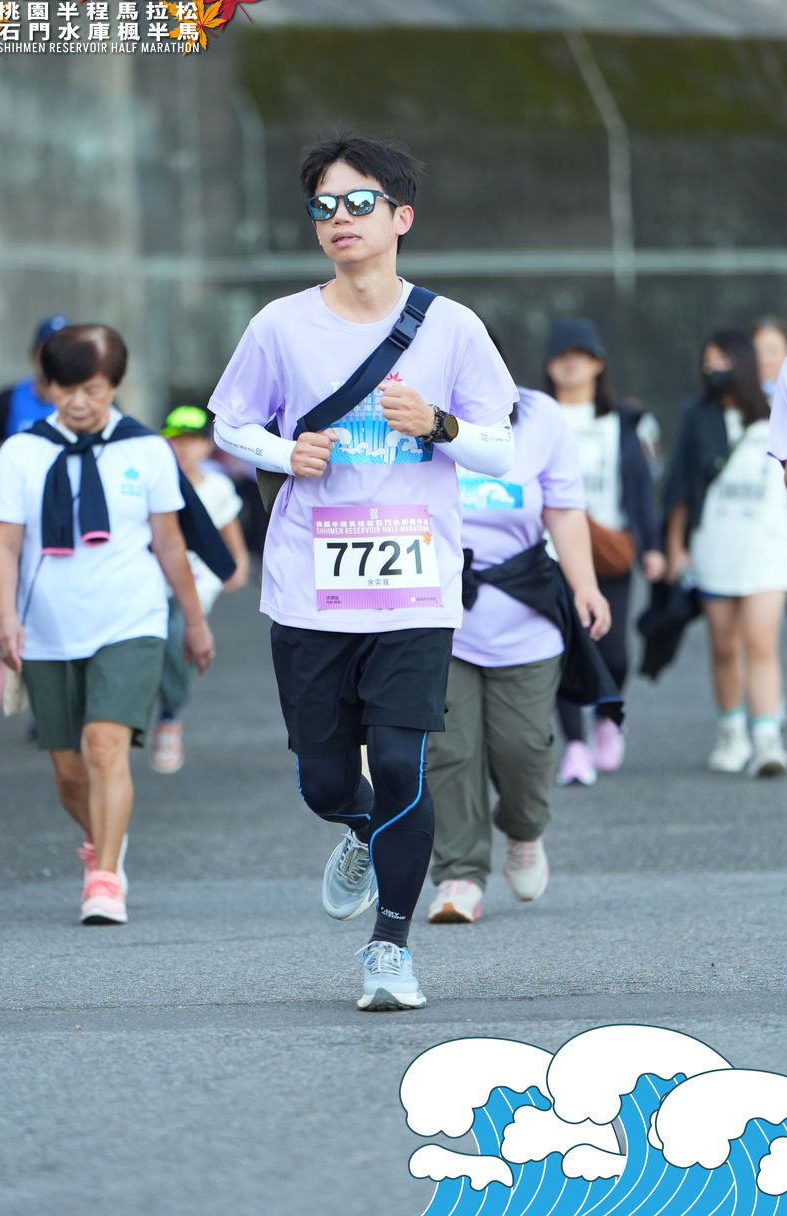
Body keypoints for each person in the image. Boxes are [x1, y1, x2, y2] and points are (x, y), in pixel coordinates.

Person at [208, 133, 516, 1010]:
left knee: (401, 762)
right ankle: (357, 829)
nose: (339, 218)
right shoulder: (279, 326)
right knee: (324, 779)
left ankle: (389, 949)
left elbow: (502, 449)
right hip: (310, 586)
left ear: (400, 217)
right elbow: (229, 420)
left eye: (357, 202)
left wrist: (439, 424)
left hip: (414, 587)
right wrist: (283, 451)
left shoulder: (452, 327)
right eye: (323, 206)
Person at [0, 325, 216, 924]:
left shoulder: (146, 450)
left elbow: (170, 544)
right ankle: (105, 836)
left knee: (105, 745)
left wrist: (193, 621)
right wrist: (5, 617)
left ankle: (105, 877)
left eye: (92, 389)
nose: (78, 402)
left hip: (130, 620)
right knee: (68, 770)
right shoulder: (22, 452)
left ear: (114, 385)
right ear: (48, 386)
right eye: (66, 389)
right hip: (47, 627)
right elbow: (3, 545)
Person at [426, 386, 612, 923]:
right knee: (449, 750)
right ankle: (460, 874)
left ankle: (525, 832)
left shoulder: (539, 416)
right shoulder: (415, 411)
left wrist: (585, 586)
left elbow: (565, 510)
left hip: (525, 614)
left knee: (524, 748)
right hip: (438, 614)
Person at [666, 328, 787, 776]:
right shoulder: (696, 415)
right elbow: (680, 485)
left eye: (721, 360)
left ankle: (767, 739)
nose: (712, 369)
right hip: (715, 544)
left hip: (768, 546)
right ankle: (731, 731)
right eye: (707, 362)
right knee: (724, 646)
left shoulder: (780, 410)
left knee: (761, 641)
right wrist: (675, 546)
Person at [542, 317, 665, 786]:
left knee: (614, 653)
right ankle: (574, 747)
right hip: (548, 551)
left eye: (581, 354)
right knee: (561, 647)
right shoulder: (535, 415)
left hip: (608, 550)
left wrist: (652, 546)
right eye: (561, 355)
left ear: (599, 364)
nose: (570, 363)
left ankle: (607, 715)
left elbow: (639, 489)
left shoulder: (623, 421)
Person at [151, 405, 250, 773]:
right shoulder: (152, 481)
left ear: (207, 446)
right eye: (176, 440)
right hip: (153, 581)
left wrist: (238, 564)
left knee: (178, 637)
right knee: (149, 644)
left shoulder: (218, 486)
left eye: (192, 441)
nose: (184, 448)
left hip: (197, 582)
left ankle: (169, 717)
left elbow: (228, 526)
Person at [751, 316, 787, 726]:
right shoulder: (737, 403)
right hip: (760, 530)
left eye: (773, 349)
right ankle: (768, 707)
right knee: (760, 626)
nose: (765, 358)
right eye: (758, 351)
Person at [0, 315, 69, 480]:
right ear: (33, 355)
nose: (54, 358)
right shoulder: (8, 399)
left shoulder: (88, 402)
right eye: (46, 350)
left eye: (63, 350)